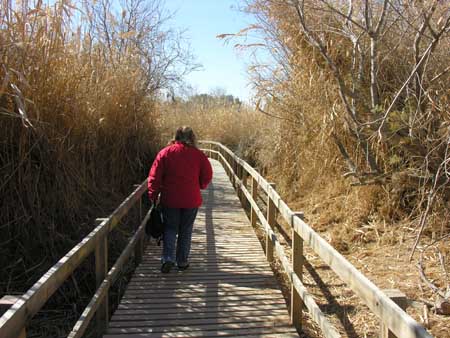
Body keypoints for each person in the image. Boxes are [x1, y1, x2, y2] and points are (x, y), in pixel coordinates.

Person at [147, 126, 213, 273]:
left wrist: (153, 194)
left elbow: (154, 176)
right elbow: (207, 174)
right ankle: (182, 262)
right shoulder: (199, 155)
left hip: (170, 200)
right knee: (186, 230)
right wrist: (201, 185)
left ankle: (168, 259)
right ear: (192, 137)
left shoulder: (165, 153)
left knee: (170, 228)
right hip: (191, 200)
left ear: (175, 136)